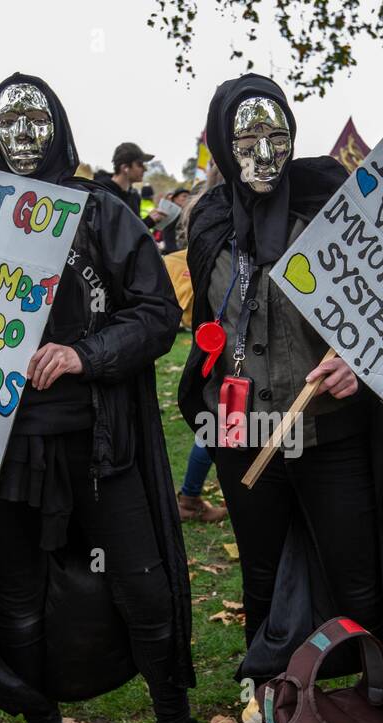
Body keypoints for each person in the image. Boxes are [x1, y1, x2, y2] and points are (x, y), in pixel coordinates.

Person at [0, 73, 235, 723]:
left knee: (143, 588)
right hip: (4, 456)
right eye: (9, 123)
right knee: (19, 600)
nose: (24, 136)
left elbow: (156, 313)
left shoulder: (103, 213)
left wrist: (87, 353)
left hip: (101, 447)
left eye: (37, 120)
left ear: (59, 129)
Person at [177, 74, 383, 723]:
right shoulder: (206, 221)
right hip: (245, 439)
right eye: (244, 139)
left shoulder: (337, 196)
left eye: (276, 133)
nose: (264, 152)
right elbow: (207, 329)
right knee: (263, 587)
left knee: (360, 586)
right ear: (219, 143)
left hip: (332, 433)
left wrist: (368, 357)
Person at [164, 177, 227, 523]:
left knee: (219, 424)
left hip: (221, 346)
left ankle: (190, 496)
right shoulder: (207, 249)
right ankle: (189, 497)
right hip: (221, 348)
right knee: (218, 423)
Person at [92, 142, 161, 229]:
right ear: (125, 168)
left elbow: (131, 234)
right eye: (139, 164)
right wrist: (148, 221)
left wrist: (150, 220)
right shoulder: (100, 192)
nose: (145, 169)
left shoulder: (134, 197)